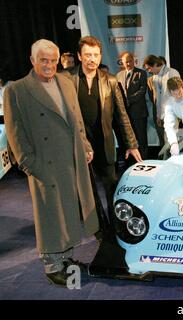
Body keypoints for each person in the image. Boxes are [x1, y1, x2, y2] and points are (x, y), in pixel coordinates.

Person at [3, 39, 99, 286]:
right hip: (43, 163)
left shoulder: (65, 82)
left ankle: (66, 258)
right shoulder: (17, 90)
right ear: (32, 60)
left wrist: (85, 145)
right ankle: (52, 264)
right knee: (50, 214)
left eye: (53, 60)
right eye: (43, 60)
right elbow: (15, 133)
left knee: (68, 210)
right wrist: (29, 165)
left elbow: (76, 119)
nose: (49, 65)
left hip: (71, 159)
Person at [63, 36, 142, 230]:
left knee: (111, 186)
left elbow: (121, 115)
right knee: (86, 191)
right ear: (80, 56)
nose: (92, 59)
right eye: (88, 55)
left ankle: (116, 226)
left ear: (100, 56)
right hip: (78, 144)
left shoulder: (111, 81)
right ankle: (99, 227)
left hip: (104, 143)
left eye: (96, 55)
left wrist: (131, 144)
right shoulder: (66, 80)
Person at [117, 52, 149, 160]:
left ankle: (144, 160)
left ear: (133, 61)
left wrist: (128, 99)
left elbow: (142, 90)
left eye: (130, 61)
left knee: (142, 138)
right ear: (122, 62)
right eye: (126, 62)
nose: (128, 63)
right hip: (126, 114)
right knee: (131, 140)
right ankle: (133, 161)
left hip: (139, 113)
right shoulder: (119, 75)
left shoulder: (141, 73)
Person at [143, 55, 180, 146]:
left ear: (155, 64)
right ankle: (167, 159)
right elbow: (158, 99)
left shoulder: (172, 73)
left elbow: (179, 95)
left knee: (171, 141)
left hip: (172, 113)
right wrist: (159, 115)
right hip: (162, 114)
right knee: (164, 142)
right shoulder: (155, 78)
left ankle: (172, 159)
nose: (149, 71)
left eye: (149, 68)